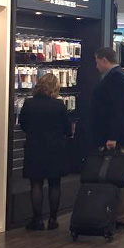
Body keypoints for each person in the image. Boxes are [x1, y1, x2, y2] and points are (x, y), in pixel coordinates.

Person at [18, 73, 72, 231]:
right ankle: (53, 219)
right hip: (55, 148)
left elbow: (23, 124)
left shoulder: (29, 103)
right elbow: (67, 128)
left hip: (34, 147)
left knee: (36, 183)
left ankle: (37, 220)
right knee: (55, 184)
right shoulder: (59, 105)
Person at [92, 46, 124, 228]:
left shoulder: (115, 77)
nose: (96, 66)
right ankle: (118, 213)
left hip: (117, 137)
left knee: (120, 175)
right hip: (121, 134)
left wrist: (112, 137)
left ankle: (120, 215)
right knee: (119, 174)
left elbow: (116, 110)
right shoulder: (120, 75)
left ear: (104, 60)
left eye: (97, 62)